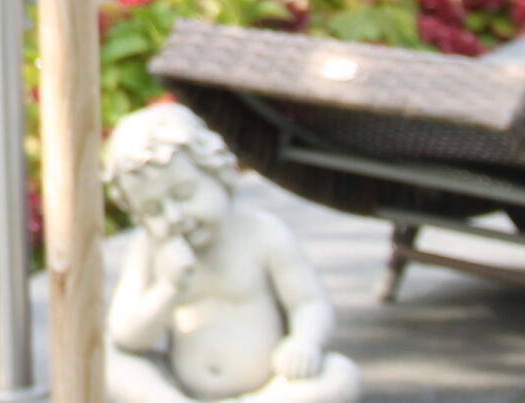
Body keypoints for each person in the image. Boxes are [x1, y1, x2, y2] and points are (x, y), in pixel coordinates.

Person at [104, 103, 362, 403]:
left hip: (269, 390)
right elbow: (126, 336)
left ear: (218, 173)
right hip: (182, 392)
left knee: (340, 375)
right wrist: (168, 288)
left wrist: (304, 342)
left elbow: (310, 302)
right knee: (106, 360)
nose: (173, 217)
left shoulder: (261, 232)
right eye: (153, 210)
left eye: (184, 194)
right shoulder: (149, 249)